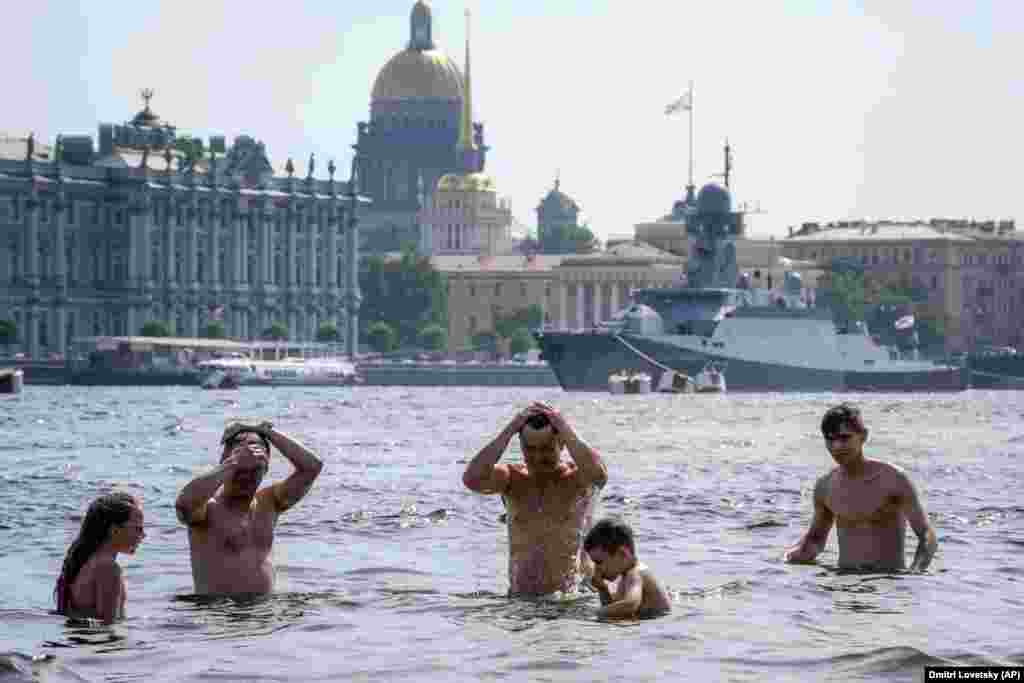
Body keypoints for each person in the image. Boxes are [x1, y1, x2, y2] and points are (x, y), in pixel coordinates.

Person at [462, 402, 607, 595]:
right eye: (530, 449)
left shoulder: (577, 479)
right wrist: (510, 429)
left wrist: (563, 426)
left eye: (546, 448)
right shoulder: (511, 479)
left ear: (562, 443)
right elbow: (472, 479)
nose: (538, 457)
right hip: (521, 599)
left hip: (571, 601)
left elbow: (598, 475)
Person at [784, 403, 938, 572]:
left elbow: (926, 535)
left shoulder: (893, 478)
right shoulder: (825, 486)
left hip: (887, 587)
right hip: (843, 583)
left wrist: (916, 571)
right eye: (830, 439)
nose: (837, 446)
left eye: (844, 438)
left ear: (863, 436)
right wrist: (791, 558)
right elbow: (816, 540)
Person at [175, 421, 323, 595]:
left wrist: (266, 432)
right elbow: (184, 505)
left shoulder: (270, 503)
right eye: (241, 469)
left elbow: (312, 467)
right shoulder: (206, 509)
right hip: (218, 613)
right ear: (225, 464)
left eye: (255, 469)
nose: (247, 477)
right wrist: (234, 462)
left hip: (263, 614)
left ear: (266, 468)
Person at [54, 492, 145, 624]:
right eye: (138, 529)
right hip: (95, 643)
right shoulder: (107, 568)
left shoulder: (87, 561)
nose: (143, 535)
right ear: (114, 530)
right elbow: (108, 627)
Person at [584, 518, 671, 619]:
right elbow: (613, 610)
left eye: (599, 562)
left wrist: (595, 614)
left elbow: (630, 604)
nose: (597, 569)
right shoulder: (627, 575)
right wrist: (602, 589)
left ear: (623, 554)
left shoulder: (635, 574)